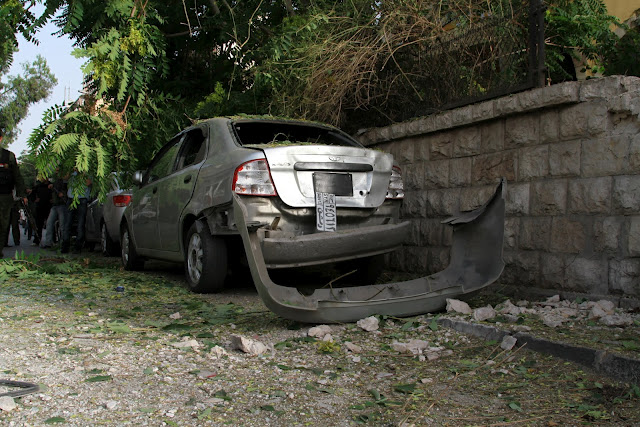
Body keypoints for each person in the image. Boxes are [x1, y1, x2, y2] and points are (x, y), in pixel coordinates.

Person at [0, 130, 27, 258]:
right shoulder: (8, 156)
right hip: (5, 196)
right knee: (2, 224)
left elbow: (17, 176)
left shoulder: (8, 156)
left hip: (5, 195)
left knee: (3, 224)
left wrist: (23, 194)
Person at [62, 171, 91, 254]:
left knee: (80, 223)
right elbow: (64, 178)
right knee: (67, 223)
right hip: (71, 199)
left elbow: (88, 183)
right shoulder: (72, 172)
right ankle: (65, 246)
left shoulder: (88, 172)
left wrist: (82, 173)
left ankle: (78, 247)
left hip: (82, 199)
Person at [40, 172, 68, 249]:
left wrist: (63, 195)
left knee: (62, 225)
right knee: (49, 223)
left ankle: (63, 243)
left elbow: (66, 191)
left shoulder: (65, 182)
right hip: (55, 205)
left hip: (62, 204)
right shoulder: (55, 180)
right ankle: (49, 242)